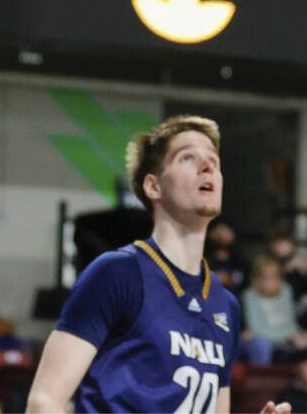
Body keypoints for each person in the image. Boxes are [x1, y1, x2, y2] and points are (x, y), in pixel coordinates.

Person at [27, 115, 288, 413]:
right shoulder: (116, 273)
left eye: (214, 160)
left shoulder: (226, 305)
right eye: (187, 157)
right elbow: (44, 401)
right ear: (154, 186)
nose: (208, 167)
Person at [240, 253, 303, 365]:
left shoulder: (286, 291)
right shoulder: (249, 295)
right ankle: (261, 381)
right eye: (265, 277)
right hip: (262, 341)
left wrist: (297, 335)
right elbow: (256, 329)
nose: (270, 281)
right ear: (256, 278)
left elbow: (290, 323)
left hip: (282, 339)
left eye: (274, 276)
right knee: (261, 344)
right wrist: (287, 336)